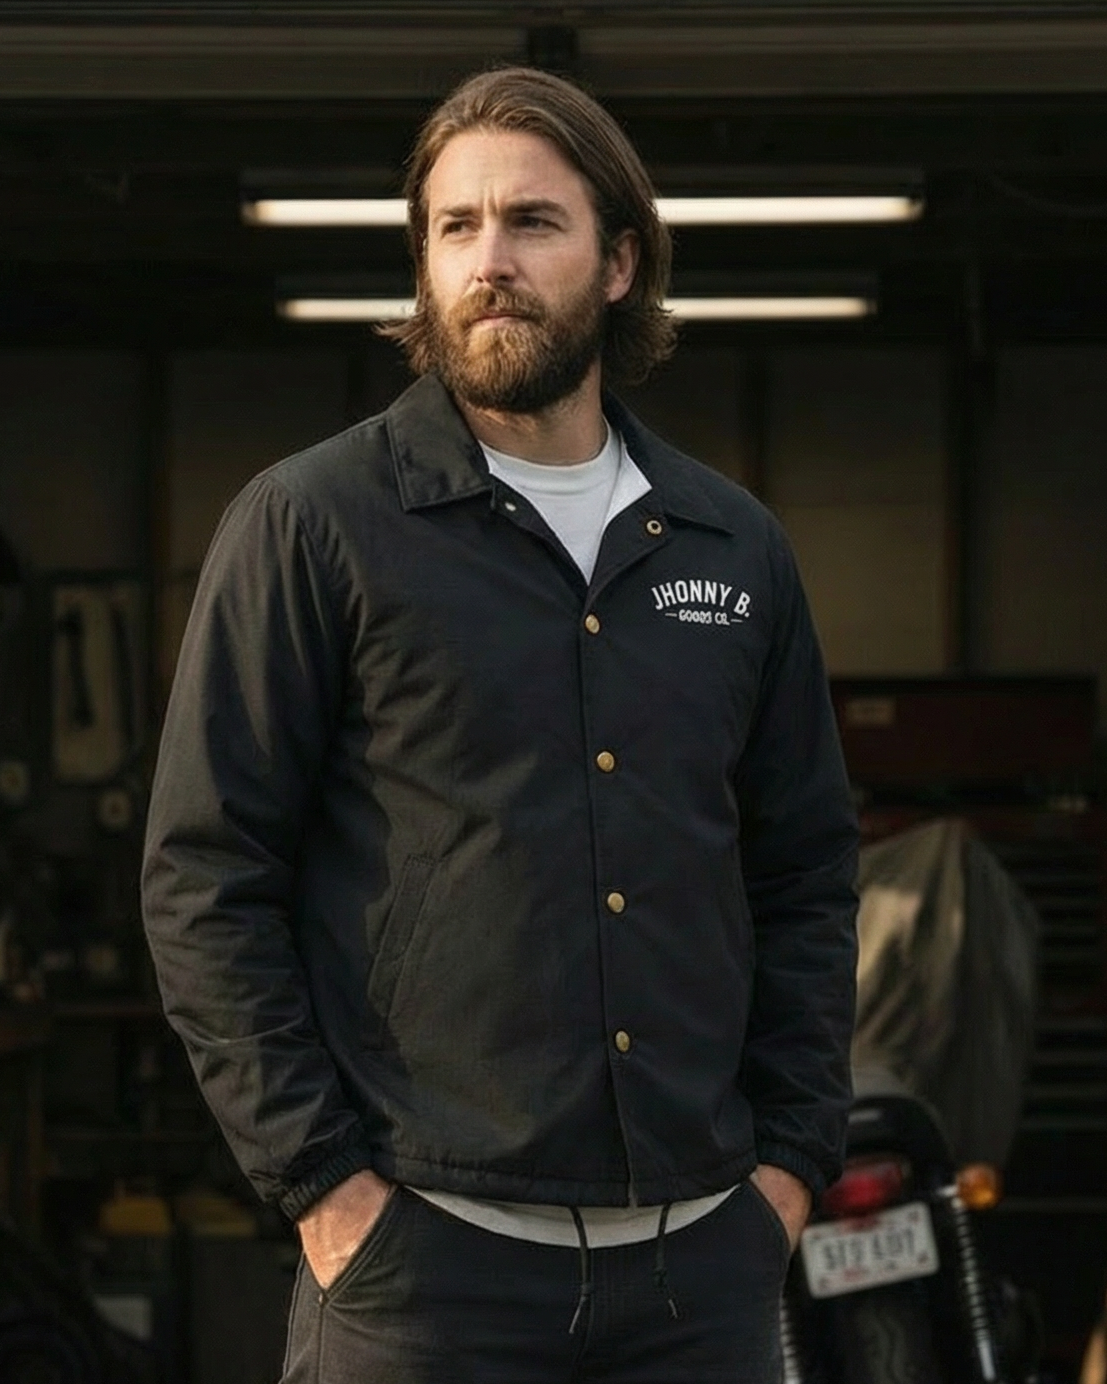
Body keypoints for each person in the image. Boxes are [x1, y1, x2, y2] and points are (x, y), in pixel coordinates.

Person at [142, 66, 859, 1383]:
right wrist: (320, 1185)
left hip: (699, 1266)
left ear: (619, 259)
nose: (490, 261)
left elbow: (805, 869)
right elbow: (205, 878)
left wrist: (789, 1170)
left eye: (532, 222)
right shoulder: (313, 526)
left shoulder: (730, 545)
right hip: (423, 1269)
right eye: (454, 227)